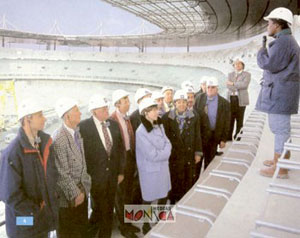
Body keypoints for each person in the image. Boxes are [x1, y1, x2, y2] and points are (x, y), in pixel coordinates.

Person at [0, 98, 58, 238]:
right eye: (40, 115)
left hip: (43, 220)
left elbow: (52, 176)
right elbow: (10, 195)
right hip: (24, 225)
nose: (44, 118)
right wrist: (36, 211)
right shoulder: (13, 153)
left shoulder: (44, 143)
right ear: (27, 119)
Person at [256, 7, 300, 178]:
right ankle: (280, 162)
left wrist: (261, 50)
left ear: (277, 25)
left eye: (269, 23)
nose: (267, 26)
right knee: (280, 129)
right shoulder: (286, 41)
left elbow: (269, 64)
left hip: (281, 95)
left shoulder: (283, 42)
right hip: (282, 93)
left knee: (280, 129)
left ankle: (280, 168)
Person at [79, 95, 124, 238]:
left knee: (108, 210)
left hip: (112, 178)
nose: (107, 110)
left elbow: (120, 150)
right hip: (95, 179)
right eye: (103, 108)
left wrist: (121, 172)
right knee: (99, 209)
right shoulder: (84, 128)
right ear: (94, 112)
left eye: (107, 107)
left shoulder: (113, 124)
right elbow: (82, 155)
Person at [53, 97, 91, 238]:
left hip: (82, 192)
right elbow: (61, 172)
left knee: (82, 231)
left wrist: (84, 189)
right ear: (67, 116)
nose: (80, 113)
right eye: (77, 110)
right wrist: (76, 194)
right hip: (70, 199)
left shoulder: (76, 132)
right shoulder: (59, 139)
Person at [135, 98, 172, 235]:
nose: (158, 111)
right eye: (154, 109)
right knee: (149, 199)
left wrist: (164, 152)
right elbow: (152, 155)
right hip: (150, 172)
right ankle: (145, 225)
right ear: (146, 113)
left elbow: (168, 143)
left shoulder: (159, 125)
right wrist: (165, 152)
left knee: (163, 195)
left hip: (162, 168)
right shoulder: (141, 132)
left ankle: (159, 220)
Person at [162, 90, 202, 204]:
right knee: (174, 178)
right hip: (173, 155)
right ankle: (173, 200)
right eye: (179, 102)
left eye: (184, 102)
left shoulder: (194, 117)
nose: (181, 104)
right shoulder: (167, 118)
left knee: (187, 179)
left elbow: (197, 135)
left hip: (188, 155)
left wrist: (198, 152)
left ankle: (185, 201)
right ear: (175, 103)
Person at [110, 89, 139, 238]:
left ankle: (129, 222)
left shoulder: (126, 118)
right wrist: (118, 170)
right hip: (120, 164)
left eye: (128, 100)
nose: (128, 103)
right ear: (117, 104)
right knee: (120, 197)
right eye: (125, 101)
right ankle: (123, 227)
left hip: (129, 159)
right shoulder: (112, 121)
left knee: (128, 193)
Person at [194, 77, 231, 169]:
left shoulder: (224, 103)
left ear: (217, 89)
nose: (210, 89)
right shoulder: (199, 98)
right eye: (208, 87)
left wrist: (223, 139)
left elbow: (227, 122)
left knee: (209, 163)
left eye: (212, 87)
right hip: (200, 137)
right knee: (197, 163)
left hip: (213, 137)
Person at [226, 59, 251, 140]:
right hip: (231, 98)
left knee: (240, 119)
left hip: (241, 99)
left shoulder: (247, 74)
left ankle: (238, 136)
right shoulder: (230, 74)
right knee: (230, 119)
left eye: (239, 64)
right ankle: (229, 136)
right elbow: (228, 86)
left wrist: (233, 84)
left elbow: (244, 85)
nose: (237, 65)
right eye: (235, 64)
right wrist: (237, 86)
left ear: (243, 65)